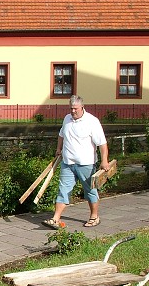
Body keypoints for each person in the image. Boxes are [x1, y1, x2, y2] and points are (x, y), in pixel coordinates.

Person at [43, 95, 110, 229]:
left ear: (82, 107)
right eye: (71, 109)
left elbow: (102, 144)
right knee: (63, 190)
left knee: (90, 191)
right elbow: (61, 135)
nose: (73, 111)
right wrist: (58, 149)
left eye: (75, 109)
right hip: (68, 163)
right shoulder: (67, 119)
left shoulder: (92, 121)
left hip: (86, 164)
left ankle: (94, 216)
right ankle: (56, 219)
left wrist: (104, 161)